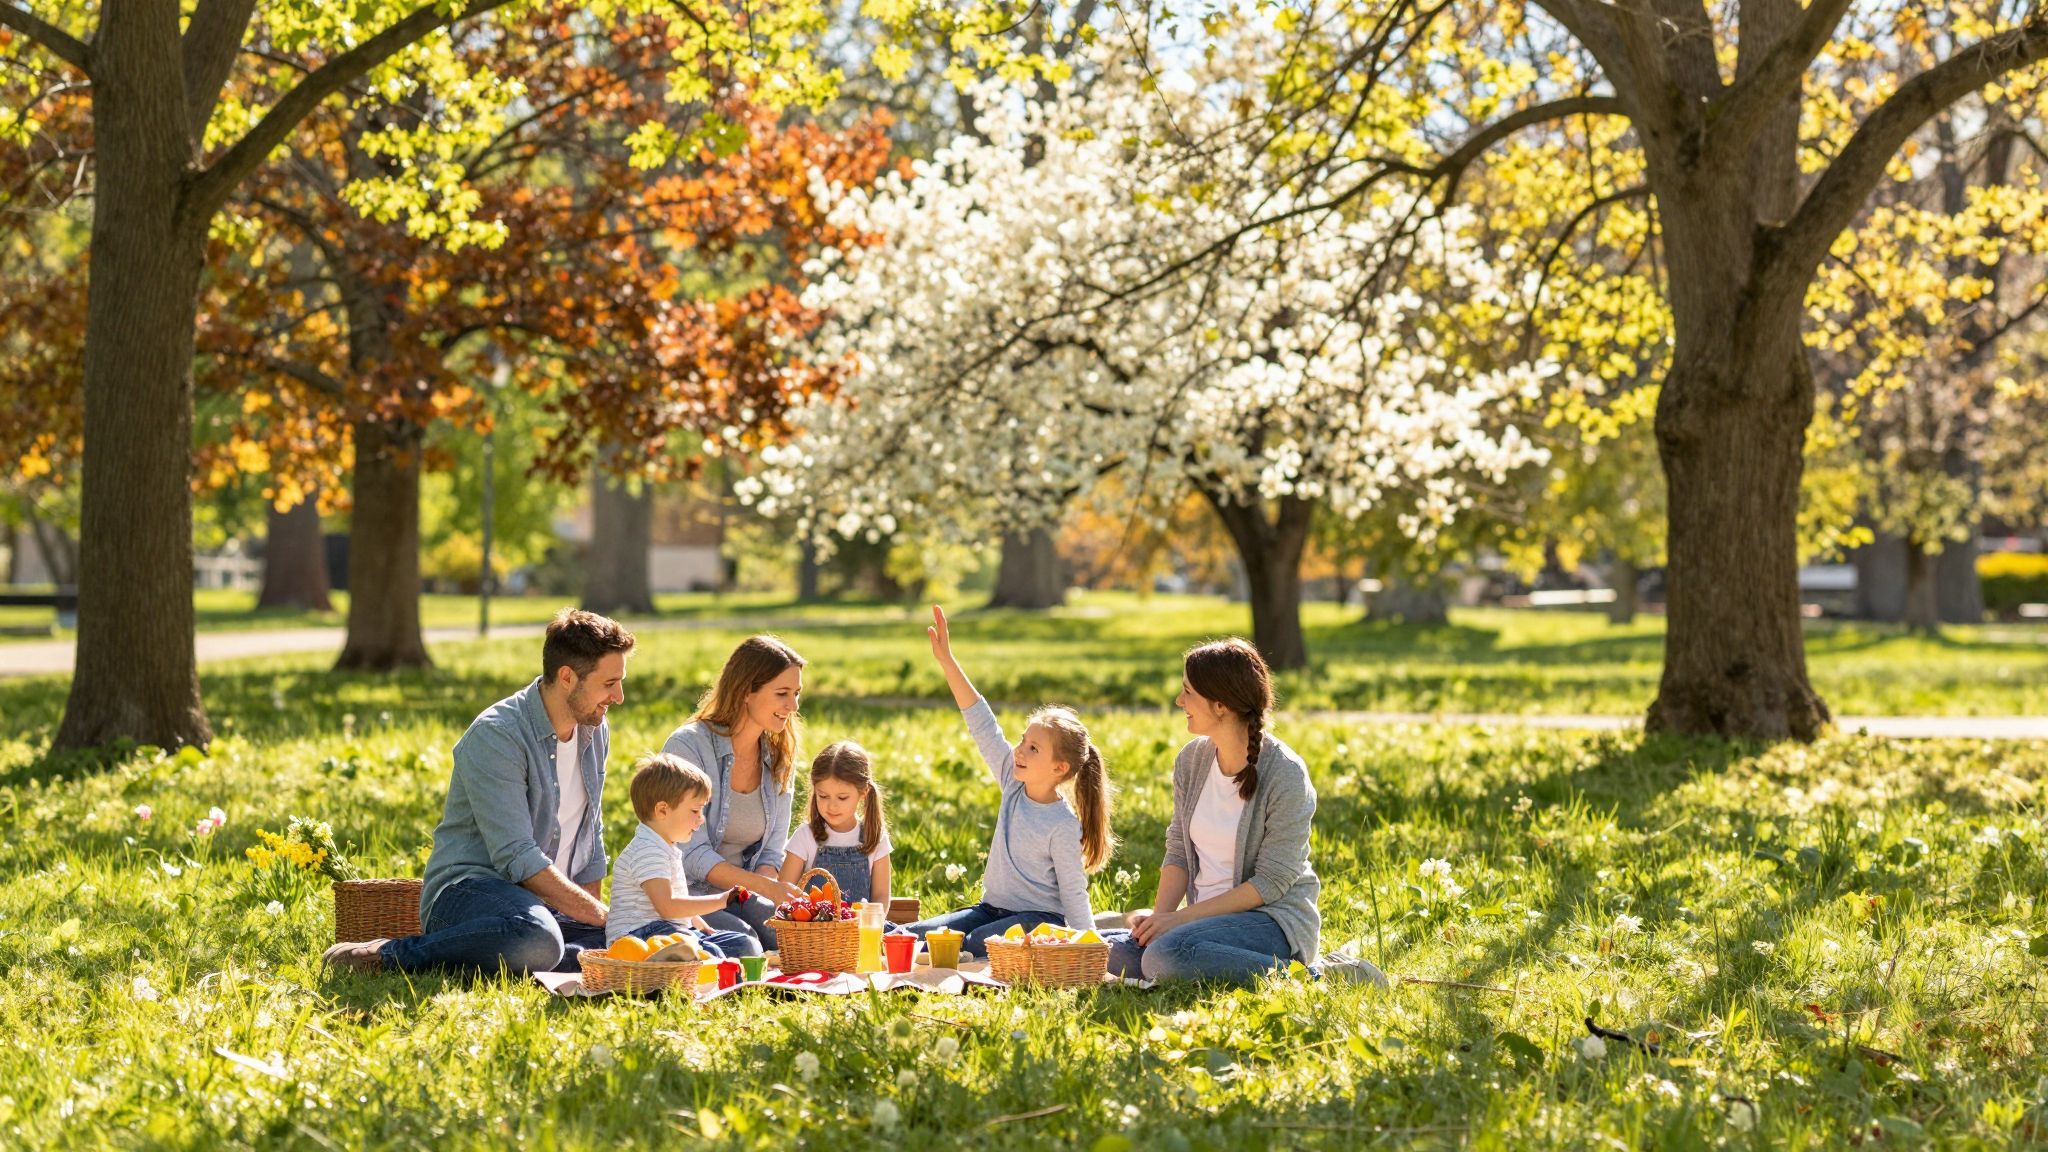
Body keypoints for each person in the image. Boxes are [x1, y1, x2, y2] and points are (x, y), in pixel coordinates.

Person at [323, 609, 634, 975]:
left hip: (545, 906)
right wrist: (598, 915)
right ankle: (389, 955)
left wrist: (600, 925)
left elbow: (589, 834)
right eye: (609, 683)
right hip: (470, 895)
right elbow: (517, 858)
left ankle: (531, 957)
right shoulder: (497, 735)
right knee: (538, 937)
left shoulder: (594, 728)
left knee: (633, 941)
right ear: (567, 677)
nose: (619, 696)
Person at [1100, 638, 1322, 983]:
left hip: (1271, 920)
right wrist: (1160, 921)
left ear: (1220, 706)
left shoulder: (1285, 774)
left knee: (1165, 957)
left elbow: (1271, 883)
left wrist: (1180, 921)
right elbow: (1178, 853)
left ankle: (1316, 975)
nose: (1179, 701)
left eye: (1187, 692)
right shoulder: (1192, 761)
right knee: (1111, 951)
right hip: (1201, 922)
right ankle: (1174, 951)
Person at [905, 605, 1113, 956]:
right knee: (914, 936)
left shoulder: (1062, 824)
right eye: (1022, 741)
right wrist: (947, 662)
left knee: (973, 944)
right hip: (990, 909)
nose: (1019, 751)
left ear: (1059, 768)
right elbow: (981, 722)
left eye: (1033, 748)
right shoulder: (1013, 781)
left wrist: (1089, 948)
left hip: (1040, 919)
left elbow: (1074, 893)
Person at [662, 635, 809, 950]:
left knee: (790, 938)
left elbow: (771, 852)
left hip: (744, 894)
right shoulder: (688, 747)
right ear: (746, 692)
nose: (793, 706)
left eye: (796, 693)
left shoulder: (779, 754)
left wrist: (768, 896)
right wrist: (766, 891)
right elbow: (691, 856)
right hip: (689, 896)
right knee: (745, 945)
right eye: (782, 693)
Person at [604, 753, 762, 957]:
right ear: (662, 810)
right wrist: (722, 900)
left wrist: (701, 926)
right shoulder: (648, 851)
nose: (701, 819)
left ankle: (688, 960)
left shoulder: (664, 846)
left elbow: (676, 903)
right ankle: (679, 966)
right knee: (710, 953)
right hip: (638, 938)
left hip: (670, 931)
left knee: (745, 945)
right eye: (695, 811)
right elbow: (668, 907)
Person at [777, 740, 893, 905]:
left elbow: (881, 897)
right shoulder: (805, 836)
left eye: (842, 797)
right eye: (823, 796)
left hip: (861, 929)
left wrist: (873, 923)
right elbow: (783, 893)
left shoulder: (875, 837)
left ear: (863, 792)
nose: (832, 806)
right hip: (812, 929)